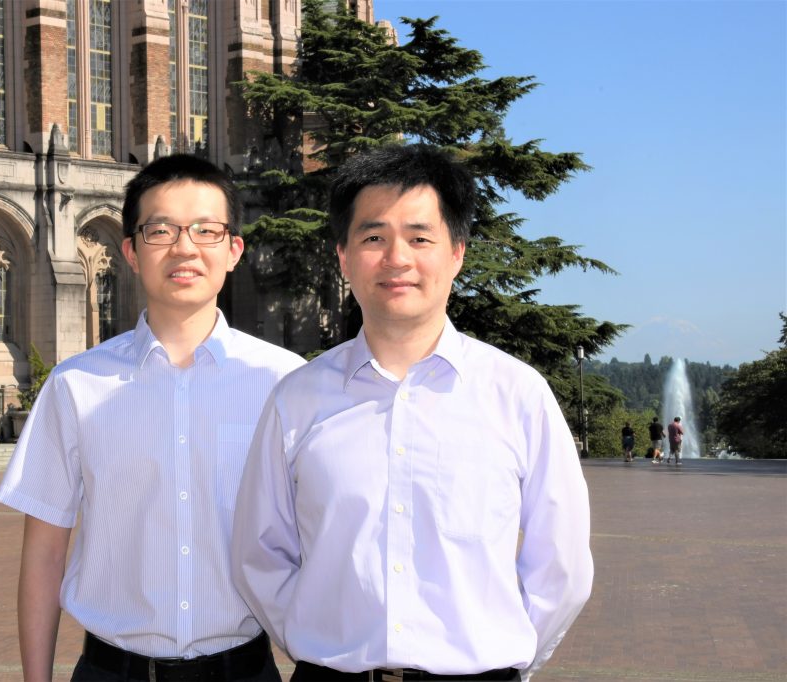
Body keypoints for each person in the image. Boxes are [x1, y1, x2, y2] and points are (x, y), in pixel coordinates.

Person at [232, 145, 593, 682]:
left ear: (456, 254)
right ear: (344, 257)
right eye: (373, 237)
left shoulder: (516, 394)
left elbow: (560, 565)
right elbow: (260, 553)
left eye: (420, 237)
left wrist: (501, 656)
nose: (396, 258)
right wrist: (321, 641)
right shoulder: (298, 399)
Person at [0, 154, 305, 682]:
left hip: (244, 671)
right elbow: (45, 554)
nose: (184, 248)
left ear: (234, 250)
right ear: (132, 252)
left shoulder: (285, 383)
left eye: (206, 230)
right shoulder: (75, 386)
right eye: (160, 230)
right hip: (112, 671)